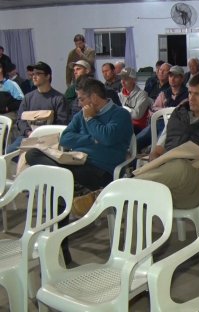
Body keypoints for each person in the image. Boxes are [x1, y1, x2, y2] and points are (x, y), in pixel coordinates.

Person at [25, 78, 133, 264]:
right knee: (33, 154)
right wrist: (92, 140)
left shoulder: (120, 115)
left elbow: (107, 138)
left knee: (57, 185)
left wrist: (91, 120)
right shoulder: (81, 114)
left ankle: (59, 245)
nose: (78, 103)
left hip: (102, 170)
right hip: (76, 162)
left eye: (82, 99)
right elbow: (66, 138)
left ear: (94, 98)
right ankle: (60, 242)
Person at [135, 72, 199, 209]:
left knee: (180, 166)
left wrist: (190, 164)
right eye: (189, 93)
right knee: (137, 199)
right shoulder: (179, 116)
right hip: (165, 181)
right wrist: (156, 162)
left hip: (196, 186)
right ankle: (128, 190)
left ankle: (122, 187)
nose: (191, 98)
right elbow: (157, 151)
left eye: (198, 94)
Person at [7, 61, 69, 153]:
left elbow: (61, 123)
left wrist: (40, 134)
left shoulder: (59, 98)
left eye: (38, 74)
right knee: (8, 152)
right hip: (27, 137)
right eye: (33, 74)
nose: (34, 76)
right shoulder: (28, 98)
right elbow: (20, 120)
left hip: (49, 139)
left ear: (48, 76)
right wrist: (28, 132)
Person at [136, 65, 188, 152]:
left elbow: (182, 111)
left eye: (176, 76)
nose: (172, 78)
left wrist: (164, 110)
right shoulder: (164, 93)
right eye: (171, 76)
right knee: (138, 141)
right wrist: (167, 111)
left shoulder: (188, 94)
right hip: (160, 123)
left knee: (160, 140)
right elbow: (153, 109)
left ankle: (154, 150)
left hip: (177, 126)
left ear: (182, 78)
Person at [118, 66, 151, 134]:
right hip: (123, 124)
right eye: (121, 79)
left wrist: (121, 108)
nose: (122, 82)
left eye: (126, 79)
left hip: (138, 128)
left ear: (133, 80)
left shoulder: (142, 94)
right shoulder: (119, 95)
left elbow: (137, 115)